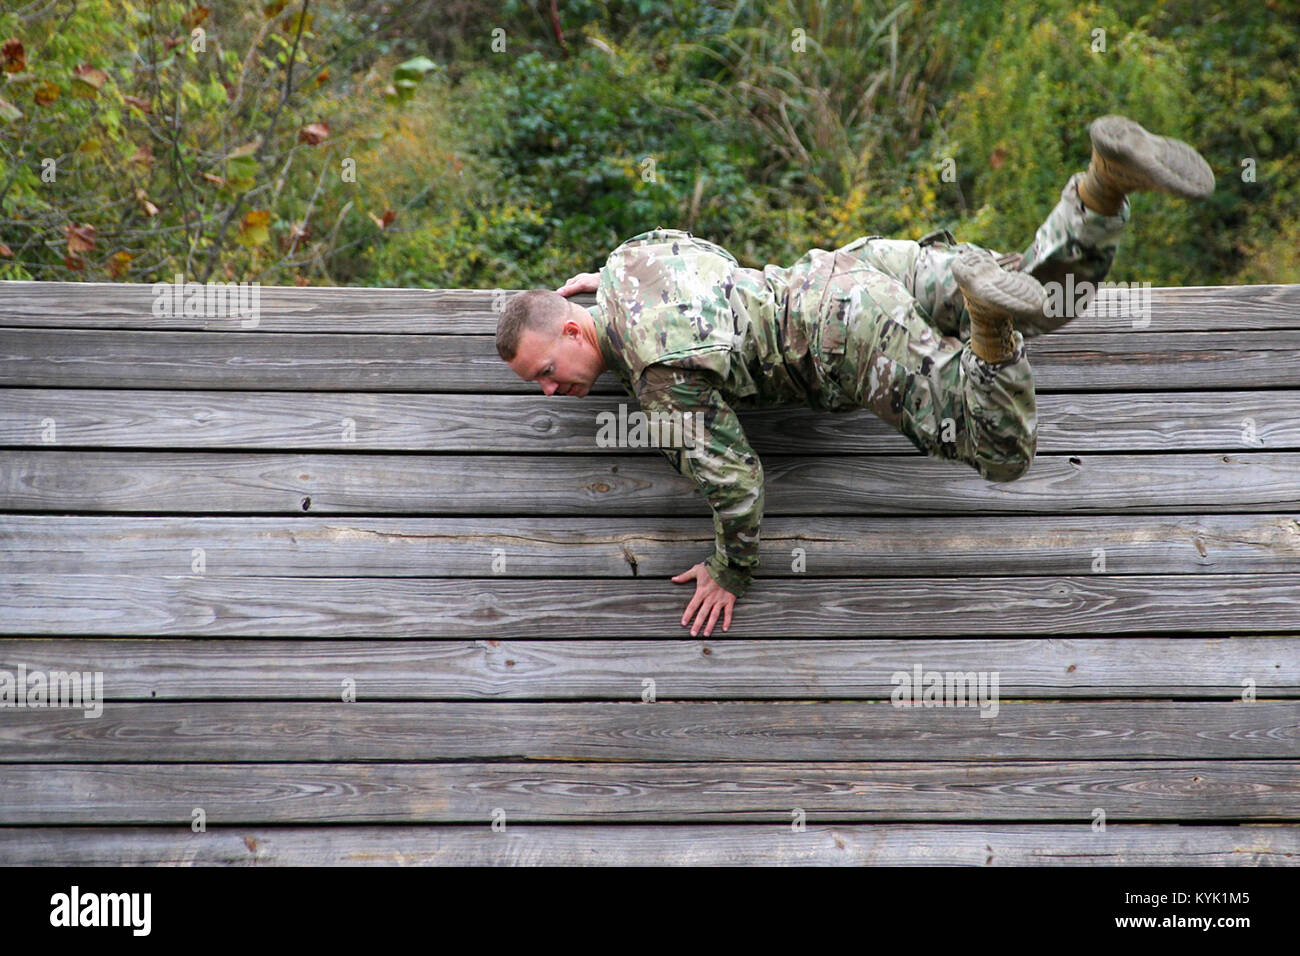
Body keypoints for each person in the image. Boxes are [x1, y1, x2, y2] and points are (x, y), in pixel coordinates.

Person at [495, 115, 1214, 638]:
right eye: (541, 387)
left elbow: (738, 482)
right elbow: (693, 262)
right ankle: (1100, 190)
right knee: (1038, 294)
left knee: (1000, 447)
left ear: (569, 324)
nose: (553, 391)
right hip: (855, 266)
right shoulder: (630, 259)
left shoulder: (658, 382)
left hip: (844, 333)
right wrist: (609, 289)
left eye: (549, 372)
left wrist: (730, 569)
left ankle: (989, 332)